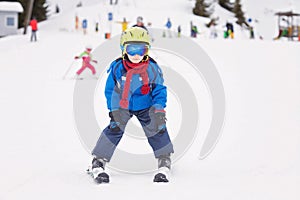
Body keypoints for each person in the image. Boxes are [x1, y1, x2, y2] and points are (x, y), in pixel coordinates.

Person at [89, 27, 174, 184]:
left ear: (147, 50)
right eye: (132, 49)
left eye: (141, 50)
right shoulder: (117, 68)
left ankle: (164, 157)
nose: (136, 55)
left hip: (146, 104)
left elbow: (159, 90)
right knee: (115, 127)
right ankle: (99, 159)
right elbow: (111, 91)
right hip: (123, 105)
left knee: (157, 126)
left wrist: (159, 109)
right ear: (123, 49)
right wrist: (115, 110)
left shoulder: (152, 68)